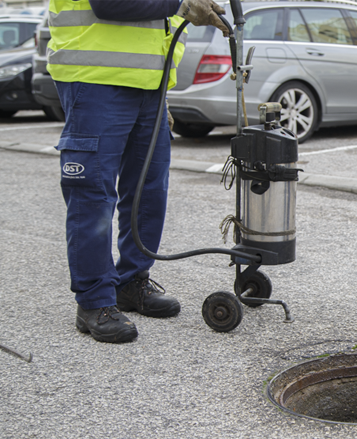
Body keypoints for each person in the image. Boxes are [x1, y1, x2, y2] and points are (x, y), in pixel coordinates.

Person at [48, 0, 229, 343]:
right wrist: (181, 4)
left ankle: (131, 281)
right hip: (95, 79)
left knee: (149, 188)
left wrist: (161, 91)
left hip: (149, 85)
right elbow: (109, 4)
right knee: (93, 192)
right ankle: (94, 301)